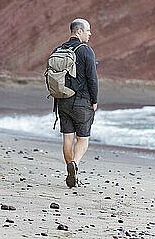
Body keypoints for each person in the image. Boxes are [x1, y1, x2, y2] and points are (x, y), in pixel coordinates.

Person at [54, 18, 98, 188]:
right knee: (83, 139)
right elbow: (92, 79)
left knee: (67, 138)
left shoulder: (58, 49)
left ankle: (70, 171)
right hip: (82, 101)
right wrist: (94, 101)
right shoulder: (86, 51)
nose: (90, 33)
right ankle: (76, 164)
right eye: (88, 30)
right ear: (79, 32)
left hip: (62, 100)